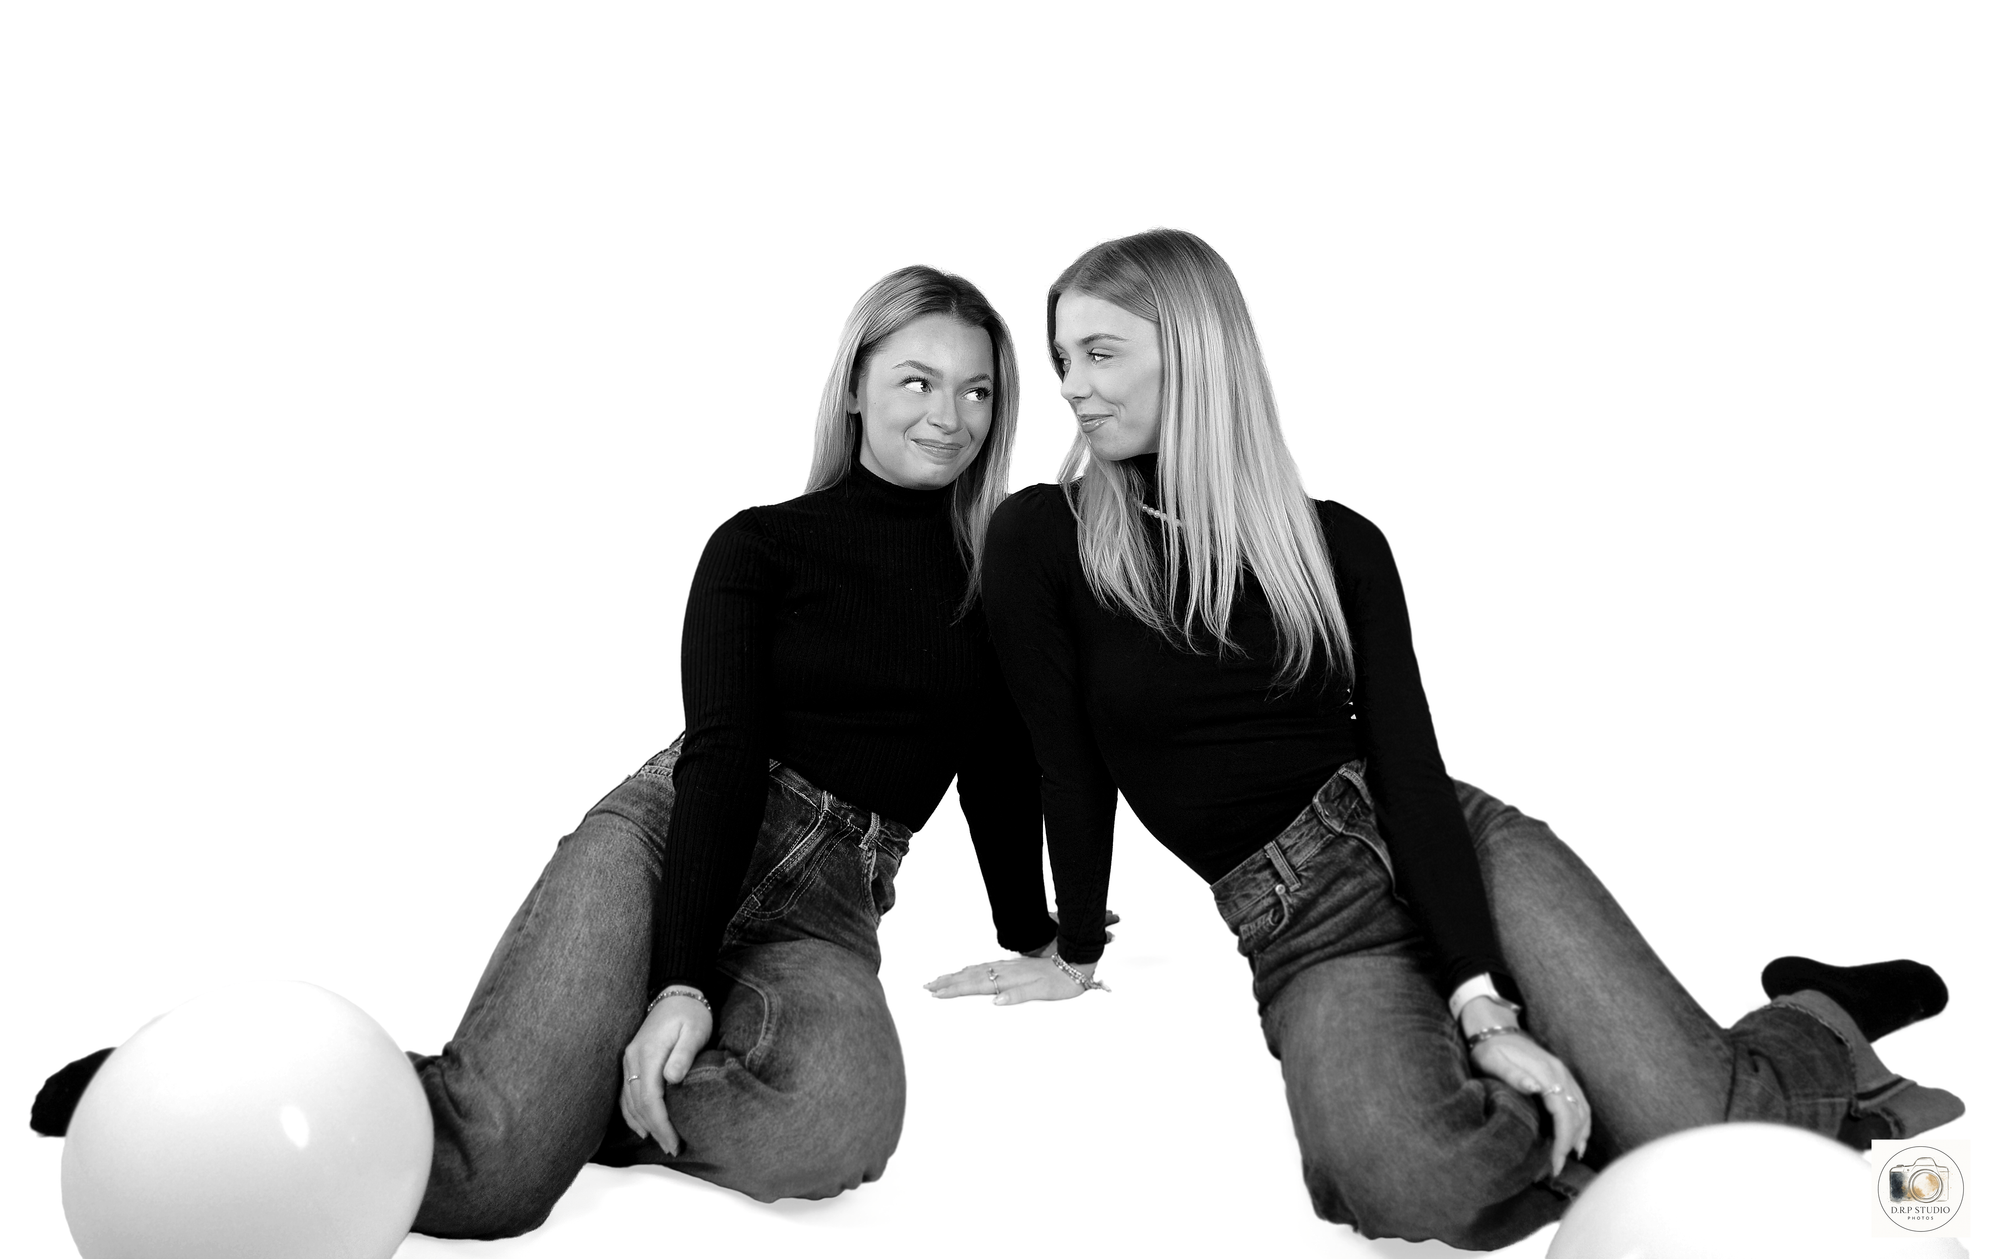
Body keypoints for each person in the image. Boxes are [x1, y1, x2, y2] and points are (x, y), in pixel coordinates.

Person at [927, 230, 1961, 1250]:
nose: (1072, 385)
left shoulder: (1332, 542)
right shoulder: (1043, 535)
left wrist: (1481, 1002)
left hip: (1456, 851)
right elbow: (1062, 764)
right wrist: (1073, 948)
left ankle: (1819, 1020)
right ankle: (1580, 1097)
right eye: (1062, 357)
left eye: (1100, 352)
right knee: (1408, 1182)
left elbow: (1408, 770)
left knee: (1704, 1137)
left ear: (1194, 355)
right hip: (1301, 919)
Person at [33, 265, 1064, 1239]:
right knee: (493, 1179)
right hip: (671, 839)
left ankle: (559, 1094)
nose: (950, 414)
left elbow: (996, 772)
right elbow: (724, 753)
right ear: (854, 390)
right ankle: (274, 1086)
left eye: (977, 390)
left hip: (826, 906)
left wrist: (1039, 938)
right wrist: (679, 985)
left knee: (840, 1119)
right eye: (917, 380)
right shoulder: (760, 545)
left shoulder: (996, 577)